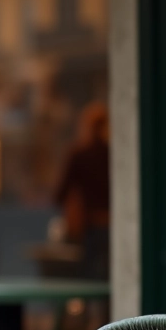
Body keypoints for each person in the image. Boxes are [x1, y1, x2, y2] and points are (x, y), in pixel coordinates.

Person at [56, 102, 110, 280]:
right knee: (109, 274)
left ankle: (85, 308)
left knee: (86, 275)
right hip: (110, 224)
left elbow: (61, 193)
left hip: (88, 225)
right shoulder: (113, 154)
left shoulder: (80, 154)